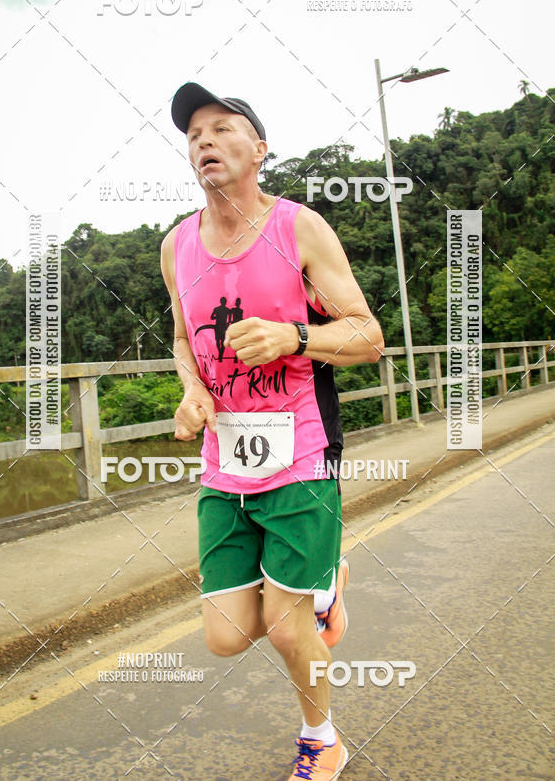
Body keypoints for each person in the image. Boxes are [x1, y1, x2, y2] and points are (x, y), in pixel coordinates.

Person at [161, 81, 384, 779]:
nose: (204, 140)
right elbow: (178, 338)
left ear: (258, 149)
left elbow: (368, 337)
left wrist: (294, 336)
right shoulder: (177, 245)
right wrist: (193, 391)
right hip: (224, 462)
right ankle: (328, 582)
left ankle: (321, 738)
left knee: (290, 633)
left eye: (222, 128)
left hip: (301, 452)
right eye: (194, 133)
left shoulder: (299, 229)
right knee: (226, 636)